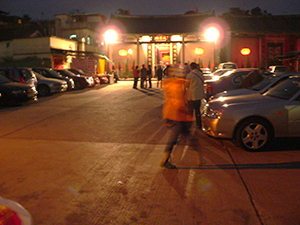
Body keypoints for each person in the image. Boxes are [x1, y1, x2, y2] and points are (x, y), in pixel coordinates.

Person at [160, 71, 194, 169]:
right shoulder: (177, 86)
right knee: (174, 137)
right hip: (176, 115)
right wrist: (185, 110)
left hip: (170, 114)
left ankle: (199, 156)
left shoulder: (170, 84)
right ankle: (165, 159)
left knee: (185, 135)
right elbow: (178, 102)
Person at [185, 62, 205, 129]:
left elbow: (186, 85)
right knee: (197, 110)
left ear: (191, 68)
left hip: (191, 95)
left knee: (190, 111)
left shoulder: (189, 75)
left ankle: (189, 125)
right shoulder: (200, 74)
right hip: (199, 95)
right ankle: (198, 124)